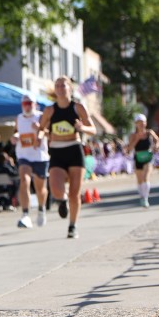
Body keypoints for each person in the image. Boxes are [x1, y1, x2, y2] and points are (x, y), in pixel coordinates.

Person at [39, 76, 96, 239]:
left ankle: (72, 226)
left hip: (74, 149)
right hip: (57, 150)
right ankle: (62, 201)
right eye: (57, 85)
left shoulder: (78, 108)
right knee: (56, 188)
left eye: (63, 85)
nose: (60, 88)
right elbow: (41, 129)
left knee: (74, 193)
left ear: (70, 88)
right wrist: (41, 135)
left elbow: (93, 129)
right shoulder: (49, 110)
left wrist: (82, 127)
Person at [14, 93, 49, 228]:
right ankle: (25, 214)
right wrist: (15, 137)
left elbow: (50, 133)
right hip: (24, 155)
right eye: (25, 104)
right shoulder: (18, 118)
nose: (27, 106)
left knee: (40, 188)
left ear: (35, 104)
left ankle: (41, 208)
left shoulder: (41, 116)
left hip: (39, 156)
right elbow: (16, 131)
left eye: (29, 104)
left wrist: (39, 129)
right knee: (24, 180)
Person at [126, 114, 159, 208]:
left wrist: (156, 146)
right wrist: (137, 139)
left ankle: (145, 198)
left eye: (143, 122)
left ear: (146, 123)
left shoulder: (149, 133)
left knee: (146, 177)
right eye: (139, 122)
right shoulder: (133, 135)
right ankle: (142, 196)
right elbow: (129, 149)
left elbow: (157, 140)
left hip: (148, 157)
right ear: (136, 124)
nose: (141, 124)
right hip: (138, 158)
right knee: (140, 180)